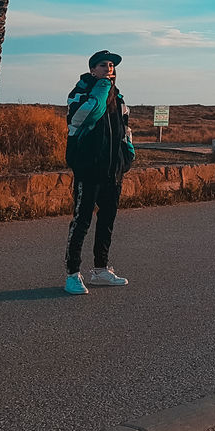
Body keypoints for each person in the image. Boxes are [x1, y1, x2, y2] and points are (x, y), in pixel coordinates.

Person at [63, 50, 136, 295]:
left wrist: (128, 155)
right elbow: (85, 116)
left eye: (112, 66)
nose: (109, 69)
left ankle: (101, 270)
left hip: (112, 171)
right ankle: (73, 274)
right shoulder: (80, 93)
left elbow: (125, 130)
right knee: (81, 222)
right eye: (103, 65)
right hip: (88, 169)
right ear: (93, 69)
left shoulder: (120, 99)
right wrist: (103, 87)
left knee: (106, 221)